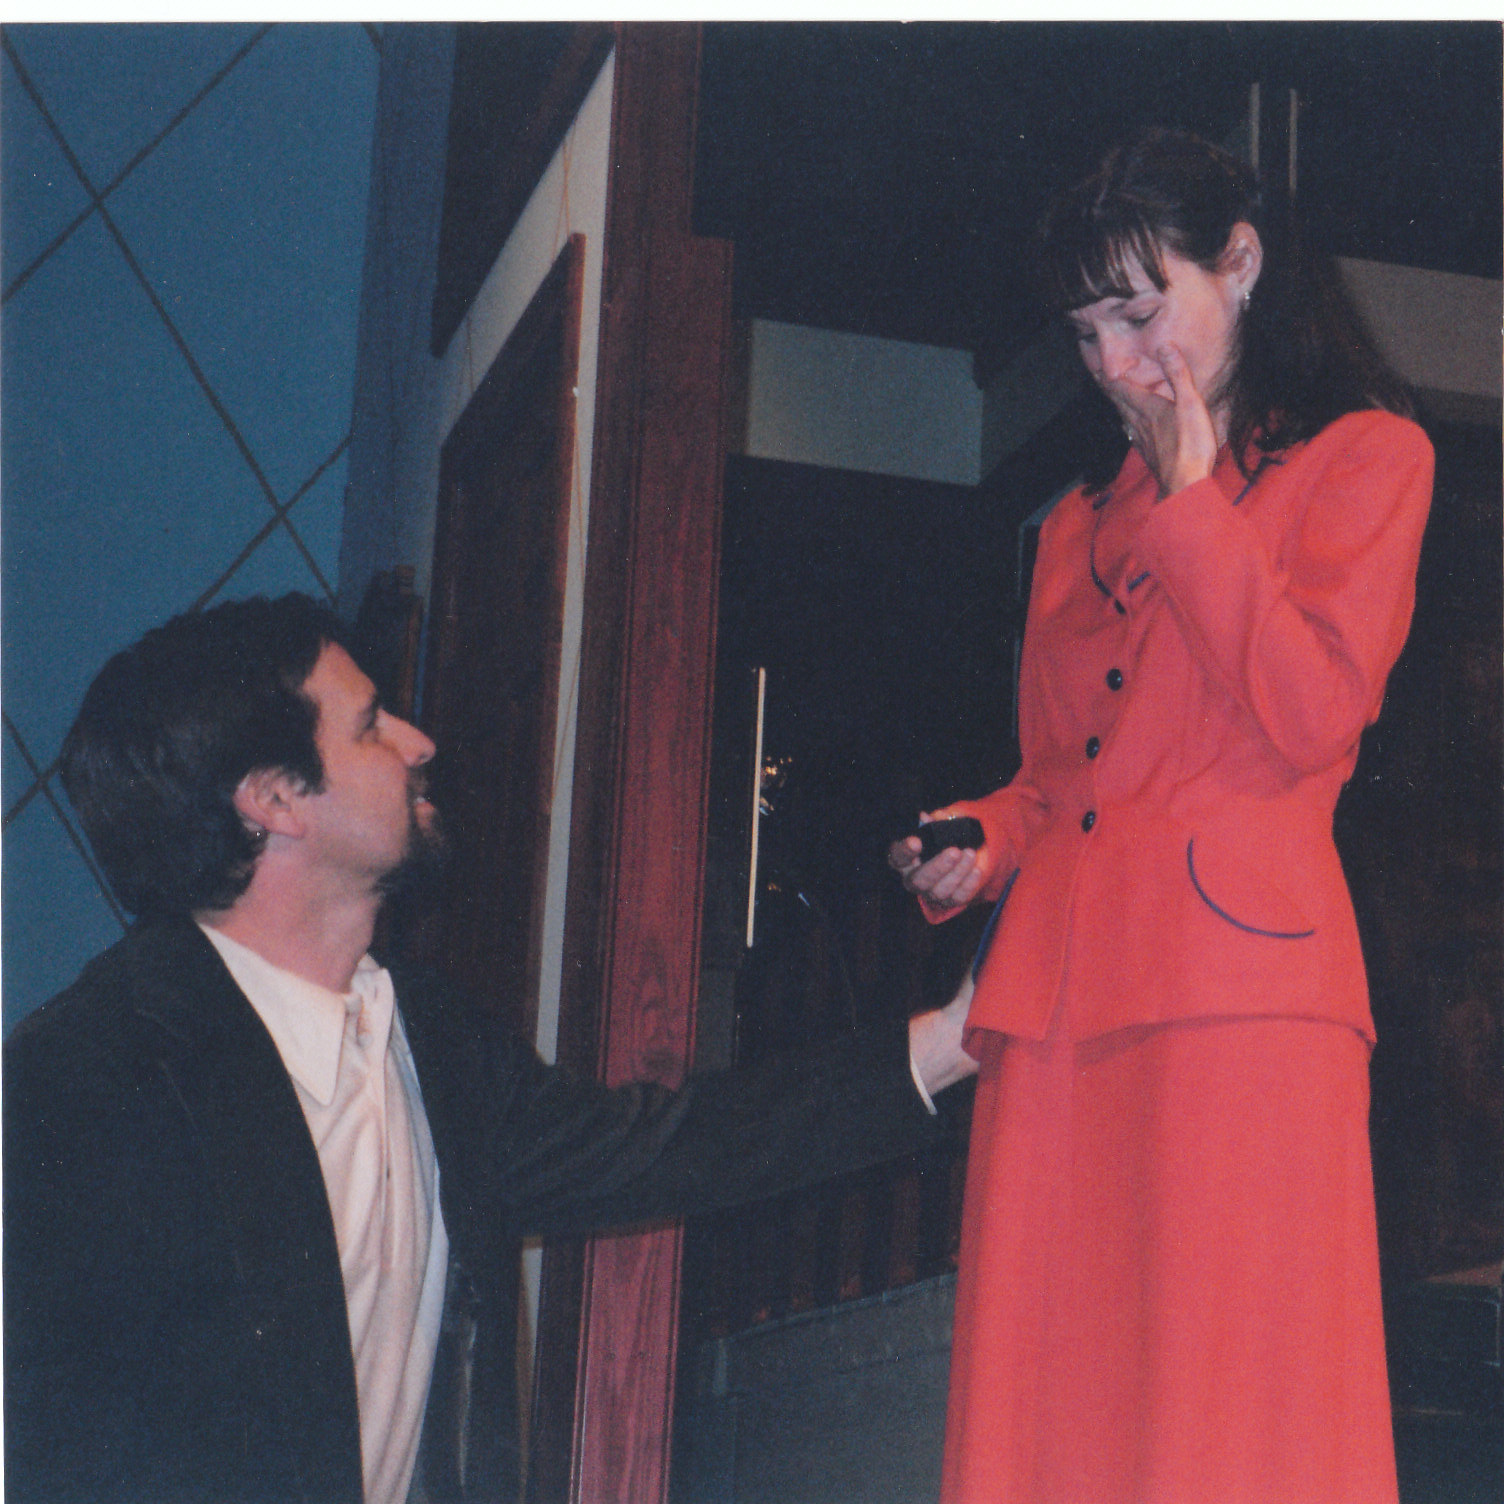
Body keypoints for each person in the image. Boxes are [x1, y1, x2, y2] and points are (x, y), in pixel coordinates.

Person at [5, 592, 978, 1504]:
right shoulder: (87, 1079)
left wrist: (952, 1037)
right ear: (273, 801)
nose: (419, 741)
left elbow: (668, 1146)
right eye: (371, 722)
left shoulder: (427, 1034)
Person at [890, 129, 1432, 1504]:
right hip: (1059, 1010)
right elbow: (1058, 778)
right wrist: (982, 837)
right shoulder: (1079, 522)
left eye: (1140, 312)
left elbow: (1314, 715)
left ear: (1240, 267)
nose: (1118, 363)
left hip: (1240, 1001)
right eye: (1085, 333)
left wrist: (1197, 503)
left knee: (1227, 1417)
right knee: (1048, 1425)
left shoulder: (1370, 460)